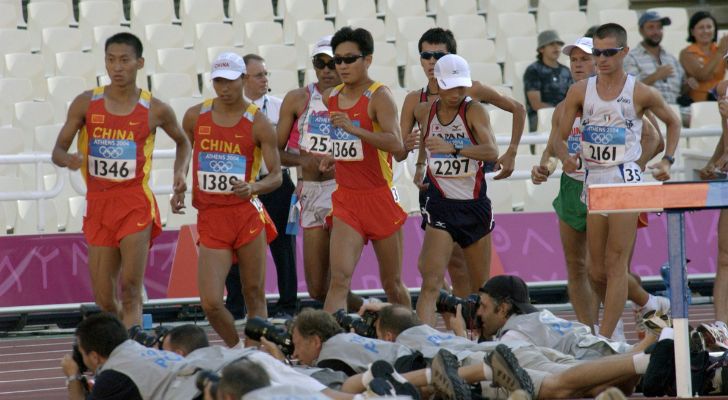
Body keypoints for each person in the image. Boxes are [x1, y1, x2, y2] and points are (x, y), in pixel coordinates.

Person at [51, 32, 191, 329]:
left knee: (130, 289)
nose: (117, 67)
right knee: (103, 298)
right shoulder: (85, 103)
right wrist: (70, 160)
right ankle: (121, 341)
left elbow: (183, 142)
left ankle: (133, 352)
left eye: (124, 60)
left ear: (139, 63)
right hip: (99, 204)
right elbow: (57, 151)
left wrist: (180, 174)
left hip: (134, 204)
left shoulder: (156, 109)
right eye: (111, 60)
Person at [550, 23, 681, 340]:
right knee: (595, 270)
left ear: (624, 52)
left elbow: (673, 123)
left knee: (615, 263)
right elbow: (559, 135)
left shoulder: (639, 91)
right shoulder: (580, 91)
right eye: (597, 52)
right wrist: (564, 155)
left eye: (609, 53)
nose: (602, 59)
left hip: (625, 180)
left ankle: (606, 337)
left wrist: (666, 161)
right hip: (594, 181)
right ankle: (652, 305)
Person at [401, 27, 526, 299]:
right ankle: (456, 322)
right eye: (426, 55)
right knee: (432, 268)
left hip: (468, 189)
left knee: (459, 267)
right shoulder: (416, 99)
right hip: (433, 191)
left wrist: (512, 151)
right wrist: (419, 162)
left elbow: (518, 108)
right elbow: (419, 138)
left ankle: (465, 324)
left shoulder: (473, 90)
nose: (432, 62)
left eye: (439, 55)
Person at [181, 52, 280, 348]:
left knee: (254, 293)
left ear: (243, 80)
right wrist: (178, 179)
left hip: (246, 215)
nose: (224, 88)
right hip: (212, 217)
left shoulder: (259, 122)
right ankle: (235, 348)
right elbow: (184, 152)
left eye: (231, 81)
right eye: (218, 81)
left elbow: (277, 176)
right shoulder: (194, 115)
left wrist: (253, 187)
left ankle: (254, 354)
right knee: (211, 301)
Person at [319, 27, 410, 313]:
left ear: (367, 60)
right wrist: (333, 156)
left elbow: (395, 143)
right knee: (339, 280)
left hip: (379, 198)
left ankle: (414, 335)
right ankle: (326, 346)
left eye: (350, 59)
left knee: (392, 284)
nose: (342, 66)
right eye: (337, 60)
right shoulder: (330, 97)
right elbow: (346, 144)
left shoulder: (379, 96)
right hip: (347, 200)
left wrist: (353, 130)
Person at [411, 54, 499, 327]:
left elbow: (492, 151)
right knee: (431, 281)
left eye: (462, 86)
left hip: (473, 205)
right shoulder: (426, 111)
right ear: (437, 82)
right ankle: (424, 342)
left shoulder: (473, 110)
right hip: (441, 203)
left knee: (481, 289)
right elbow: (426, 142)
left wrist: (455, 148)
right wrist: (420, 164)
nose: (457, 93)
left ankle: (486, 343)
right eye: (451, 87)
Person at [276, 35, 362, 310]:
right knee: (316, 288)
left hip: (343, 192)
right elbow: (274, 153)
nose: (326, 70)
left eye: (331, 63)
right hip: (310, 193)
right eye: (319, 63)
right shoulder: (298, 99)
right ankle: (367, 311)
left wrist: (340, 161)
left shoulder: (357, 99)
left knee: (338, 280)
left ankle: (347, 332)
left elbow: (372, 147)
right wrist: (304, 160)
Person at [222, 54, 296, 319]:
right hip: (241, 185)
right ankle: (236, 305)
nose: (265, 79)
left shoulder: (280, 108)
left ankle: (288, 305)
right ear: (243, 79)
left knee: (284, 246)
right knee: (236, 246)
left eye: (266, 74)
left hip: (277, 183)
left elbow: (290, 147)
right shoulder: (229, 112)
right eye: (259, 75)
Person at [60, 313, 187, 400]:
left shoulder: (115, 374)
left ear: (94, 357)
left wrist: (73, 376)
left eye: (82, 353)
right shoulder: (136, 351)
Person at [698, 79, 728, 348]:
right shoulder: (724, 89)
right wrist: (713, 162)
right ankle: (722, 327)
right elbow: (725, 134)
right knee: (725, 256)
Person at [624, 11, 686, 106]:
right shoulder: (631, 57)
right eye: (651, 27)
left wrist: (689, 85)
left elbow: (682, 89)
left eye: (659, 27)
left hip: (676, 108)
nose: (656, 32)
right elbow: (632, 89)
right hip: (649, 110)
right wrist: (656, 76)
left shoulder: (671, 58)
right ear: (641, 30)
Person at [524, 30, 573, 131]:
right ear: (541, 49)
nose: (556, 47)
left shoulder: (565, 70)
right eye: (551, 44)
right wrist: (560, 113)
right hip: (541, 119)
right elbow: (536, 104)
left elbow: (572, 98)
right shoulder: (534, 70)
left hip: (565, 116)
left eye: (559, 44)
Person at [679, 11, 728, 102]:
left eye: (709, 27)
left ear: (714, 30)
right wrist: (720, 52)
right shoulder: (687, 53)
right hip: (699, 103)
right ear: (692, 31)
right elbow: (702, 76)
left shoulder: (720, 49)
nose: (706, 31)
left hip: (722, 100)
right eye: (701, 28)